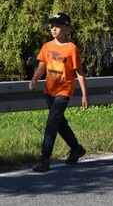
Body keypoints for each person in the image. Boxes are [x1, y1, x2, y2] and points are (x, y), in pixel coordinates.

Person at [28, 12, 88, 172]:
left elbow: (79, 72)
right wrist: (34, 79)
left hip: (64, 90)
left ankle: (45, 159)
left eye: (58, 26)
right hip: (49, 91)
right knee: (60, 123)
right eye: (52, 26)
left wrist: (84, 94)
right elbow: (42, 65)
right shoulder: (47, 46)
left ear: (67, 28)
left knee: (51, 124)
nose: (54, 29)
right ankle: (76, 148)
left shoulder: (71, 48)